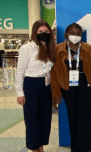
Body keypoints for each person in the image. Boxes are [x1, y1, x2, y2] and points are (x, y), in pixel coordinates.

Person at [50, 23, 91, 152]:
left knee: (85, 116)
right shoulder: (58, 49)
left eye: (78, 33)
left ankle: (86, 147)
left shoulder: (89, 49)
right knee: (72, 116)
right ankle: (75, 147)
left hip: (86, 85)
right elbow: (54, 73)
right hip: (67, 87)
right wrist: (56, 94)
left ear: (81, 35)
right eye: (72, 33)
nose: (75, 36)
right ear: (67, 34)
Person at [15, 19, 55, 152]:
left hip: (45, 85)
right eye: (40, 31)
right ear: (35, 33)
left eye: (46, 31)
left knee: (45, 118)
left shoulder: (50, 48)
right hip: (31, 84)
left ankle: (41, 148)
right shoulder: (27, 48)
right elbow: (20, 71)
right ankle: (34, 149)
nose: (44, 33)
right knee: (32, 120)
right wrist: (19, 93)